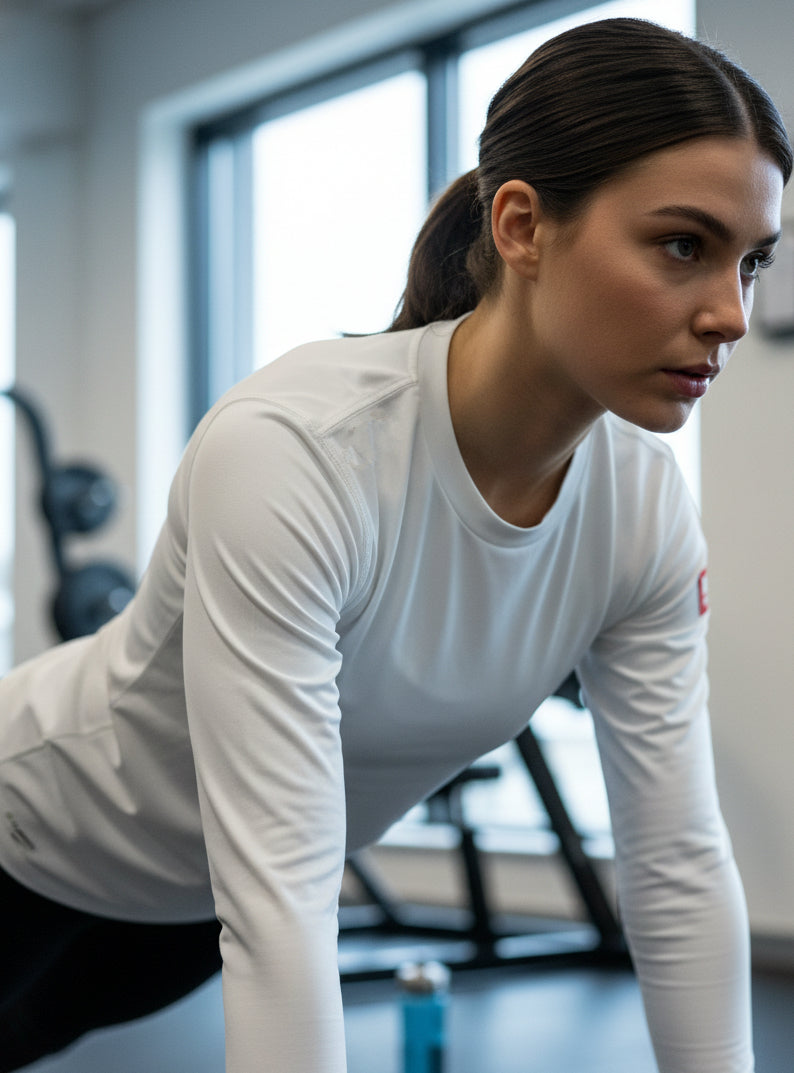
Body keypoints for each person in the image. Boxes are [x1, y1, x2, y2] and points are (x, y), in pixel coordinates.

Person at [0, 16, 790, 1073]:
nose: (731, 313)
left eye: (752, 262)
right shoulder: (296, 450)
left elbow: (676, 859)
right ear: (520, 224)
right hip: (25, 840)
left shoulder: (639, 505)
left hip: (182, 923)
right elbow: (280, 891)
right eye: (681, 245)